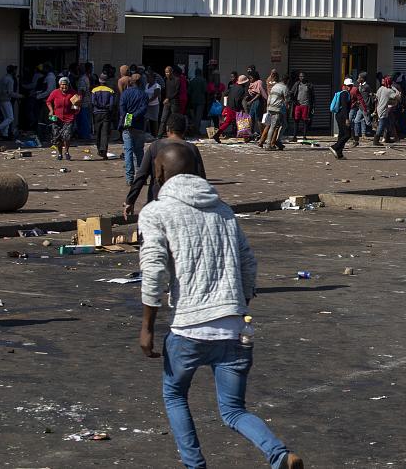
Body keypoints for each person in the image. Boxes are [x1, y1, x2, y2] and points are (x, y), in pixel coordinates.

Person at [137, 145, 304, 469]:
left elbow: (155, 270)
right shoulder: (223, 210)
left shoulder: (156, 212)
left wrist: (146, 326)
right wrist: (237, 306)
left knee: (174, 395)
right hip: (235, 329)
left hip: (189, 329)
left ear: (158, 174)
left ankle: (195, 465)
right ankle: (279, 454)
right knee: (233, 410)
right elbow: (248, 265)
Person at [125, 113, 205, 219]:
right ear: (184, 130)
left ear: (168, 129)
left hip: (157, 201)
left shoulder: (155, 147)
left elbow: (141, 175)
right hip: (185, 204)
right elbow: (201, 179)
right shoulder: (192, 149)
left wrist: (130, 200)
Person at [119, 73, 149, 185]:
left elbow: (122, 109)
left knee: (128, 151)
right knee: (139, 151)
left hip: (127, 125)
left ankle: (129, 178)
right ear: (141, 82)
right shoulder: (144, 95)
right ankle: (141, 177)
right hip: (139, 125)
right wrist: (134, 116)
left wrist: (128, 118)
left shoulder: (125, 94)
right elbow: (143, 109)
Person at [46, 77, 81, 161]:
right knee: (57, 137)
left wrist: (75, 110)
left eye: (65, 85)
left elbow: (77, 105)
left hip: (69, 118)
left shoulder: (73, 93)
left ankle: (67, 152)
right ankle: (60, 153)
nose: (64, 87)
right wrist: (51, 110)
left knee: (66, 136)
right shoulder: (55, 92)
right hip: (56, 118)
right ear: (59, 85)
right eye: (62, 85)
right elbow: (48, 101)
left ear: (68, 85)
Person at [215, 74, 248, 144]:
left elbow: (225, 94)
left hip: (229, 106)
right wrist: (243, 109)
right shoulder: (242, 89)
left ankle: (217, 134)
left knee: (227, 122)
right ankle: (246, 137)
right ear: (244, 83)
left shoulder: (233, 86)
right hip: (235, 108)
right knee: (242, 121)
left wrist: (226, 103)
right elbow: (239, 100)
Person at [91, 73, 117, 159]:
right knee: (105, 133)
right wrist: (106, 108)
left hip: (97, 113)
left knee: (98, 132)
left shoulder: (94, 90)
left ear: (99, 80)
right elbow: (112, 104)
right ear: (107, 81)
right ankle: (104, 151)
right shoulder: (110, 91)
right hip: (106, 114)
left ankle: (99, 150)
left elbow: (93, 102)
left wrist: (99, 106)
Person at [259, 74, 287, 149]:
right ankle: (269, 144)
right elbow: (287, 99)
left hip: (270, 107)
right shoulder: (284, 87)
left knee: (280, 125)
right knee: (273, 126)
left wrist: (267, 108)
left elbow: (269, 97)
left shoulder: (275, 86)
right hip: (277, 109)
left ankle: (275, 141)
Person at [328, 78, 353, 159]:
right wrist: (347, 119)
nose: (349, 87)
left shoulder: (344, 93)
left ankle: (339, 154)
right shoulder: (345, 94)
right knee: (347, 134)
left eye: (350, 85)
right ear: (344, 86)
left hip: (339, 115)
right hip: (342, 115)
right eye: (348, 86)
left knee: (342, 134)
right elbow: (345, 107)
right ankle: (335, 147)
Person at [373, 76, 399, 145]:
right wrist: (394, 88)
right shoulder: (389, 91)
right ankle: (376, 140)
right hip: (384, 110)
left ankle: (387, 138)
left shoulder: (381, 88)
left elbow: (377, 97)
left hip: (379, 108)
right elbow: (397, 96)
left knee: (387, 124)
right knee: (381, 125)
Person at [0, 65, 18, 139]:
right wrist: (20, 96)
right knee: (10, 118)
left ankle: (5, 134)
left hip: (1, 100)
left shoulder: (3, 78)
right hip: (6, 100)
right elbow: (10, 92)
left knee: (6, 118)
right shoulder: (10, 79)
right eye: (15, 70)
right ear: (13, 71)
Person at [289, 72, 314, 142]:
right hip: (298, 105)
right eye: (300, 76)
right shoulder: (297, 84)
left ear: (305, 77)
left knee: (305, 121)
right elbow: (291, 93)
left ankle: (304, 136)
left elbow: (313, 96)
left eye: (303, 76)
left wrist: (312, 106)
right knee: (296, 121)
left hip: (306, 105)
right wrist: (294, 101)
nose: (301, 78)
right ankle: (294, 137)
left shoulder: (309, 85)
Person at [159, 66, 183, 138]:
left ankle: (176, 134)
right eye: (165, 72)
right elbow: (166, 91)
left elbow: (177, 92)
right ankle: (159, 135)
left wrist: (168, 98)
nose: (167, 74)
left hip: (174, 101)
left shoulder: (177, 80)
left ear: (171, 72)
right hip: (167, 101)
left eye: (168, 72)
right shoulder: (166, 80)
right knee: (163, 118)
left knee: (174, 118)